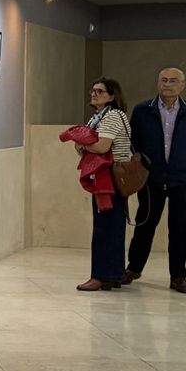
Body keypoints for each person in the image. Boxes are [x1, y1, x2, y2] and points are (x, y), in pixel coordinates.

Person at [125, 67, 186, 294]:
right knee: (144, 224)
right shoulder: (143, 110)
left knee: (180, 229)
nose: (168, 84)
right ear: (157, 83)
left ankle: (178, 276)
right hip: (151, 180)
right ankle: (133, 268)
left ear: (182, 85)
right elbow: (134, 142)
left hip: (182, 180)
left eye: (173, 81)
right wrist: (144, 167)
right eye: (163, 80)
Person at [73, 77, 132, 292]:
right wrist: (85, 145)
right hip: (103, 175)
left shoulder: (113, 116)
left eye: (100, 91)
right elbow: (85, 145)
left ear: (112, 96)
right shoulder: (99, 116)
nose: (94, 94)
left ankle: (101, 275)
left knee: (105, 227)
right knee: (110, 226)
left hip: (110, 178)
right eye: (93, 90)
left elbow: (101, 146)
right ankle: (112, 274)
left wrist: (84, 145)